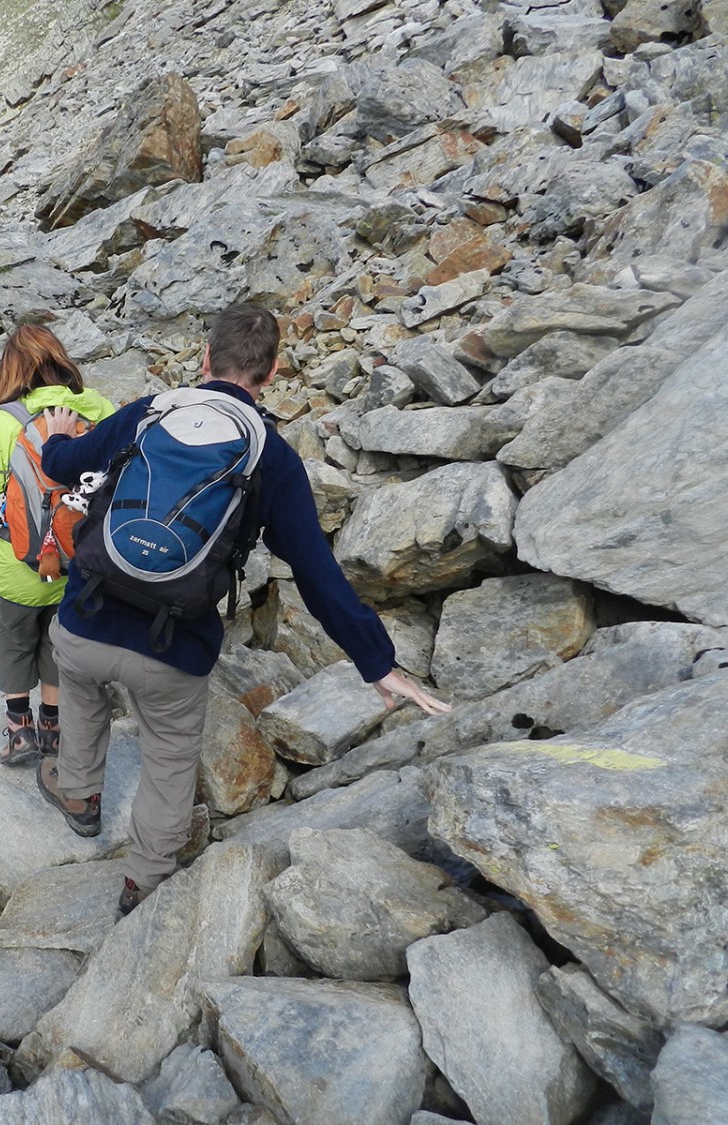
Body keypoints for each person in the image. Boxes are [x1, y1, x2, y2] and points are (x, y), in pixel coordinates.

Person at [38, 299, 450, 917]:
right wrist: (377, 661)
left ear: (204, 358)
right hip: (172, 647)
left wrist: (62, 438)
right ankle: (144, 882)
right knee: (170, 759)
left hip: (87, 619)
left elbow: (61, 464)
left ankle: (78, 797)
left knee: (81, 693)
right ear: (273, 370)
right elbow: (314, 569)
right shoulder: (272, 457)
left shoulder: (149, 414)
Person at [0, 325, 117, 765]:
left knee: (14, 640)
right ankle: (54, 727)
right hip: (81, 564)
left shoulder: (3, 424)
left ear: (11, 371)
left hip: (18, 566)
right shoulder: (98, 410)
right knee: (58, 641)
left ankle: (20, 732)